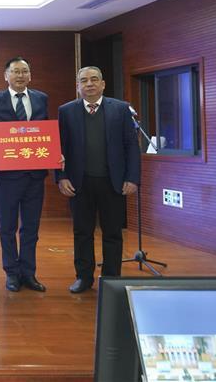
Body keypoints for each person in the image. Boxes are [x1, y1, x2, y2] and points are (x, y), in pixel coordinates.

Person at [56, 66, 141, 293]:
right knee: (82, 233)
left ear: (103, 84)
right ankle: (83, 278)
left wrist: (132, 178)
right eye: (84, 80)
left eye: (94, 79)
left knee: (112, 233)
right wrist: (61, 177)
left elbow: (131, 146)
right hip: (79, 182)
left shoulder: (121, 109)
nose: (89, 84)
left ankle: (111, 279)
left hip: (113, 182)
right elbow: (59, 147)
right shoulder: (66, 111)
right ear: (78, 86)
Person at [0, 57, 50, 293]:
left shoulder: (40, 98)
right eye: (15, 71)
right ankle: (11, 272)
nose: (20, 76)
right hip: (8, 175)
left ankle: (29, 273)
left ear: (30, 75)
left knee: (31, 227)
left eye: (24, 71)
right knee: (7, 227)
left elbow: (46, 131)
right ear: (6, 76)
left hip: (35, 175)